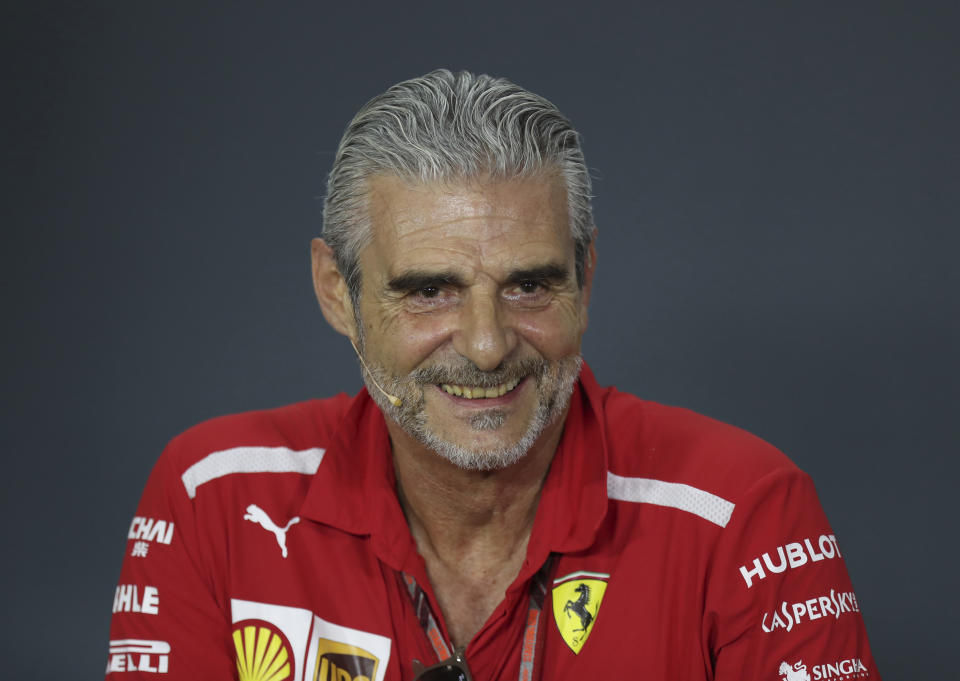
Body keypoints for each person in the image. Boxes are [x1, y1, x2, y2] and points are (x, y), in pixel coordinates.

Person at [106, 69, 881, 681]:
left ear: (587, 280)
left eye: (528, 285)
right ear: (337, 290)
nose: (485, 346)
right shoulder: (213, 493)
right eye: (429, 290)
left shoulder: (744, 511)